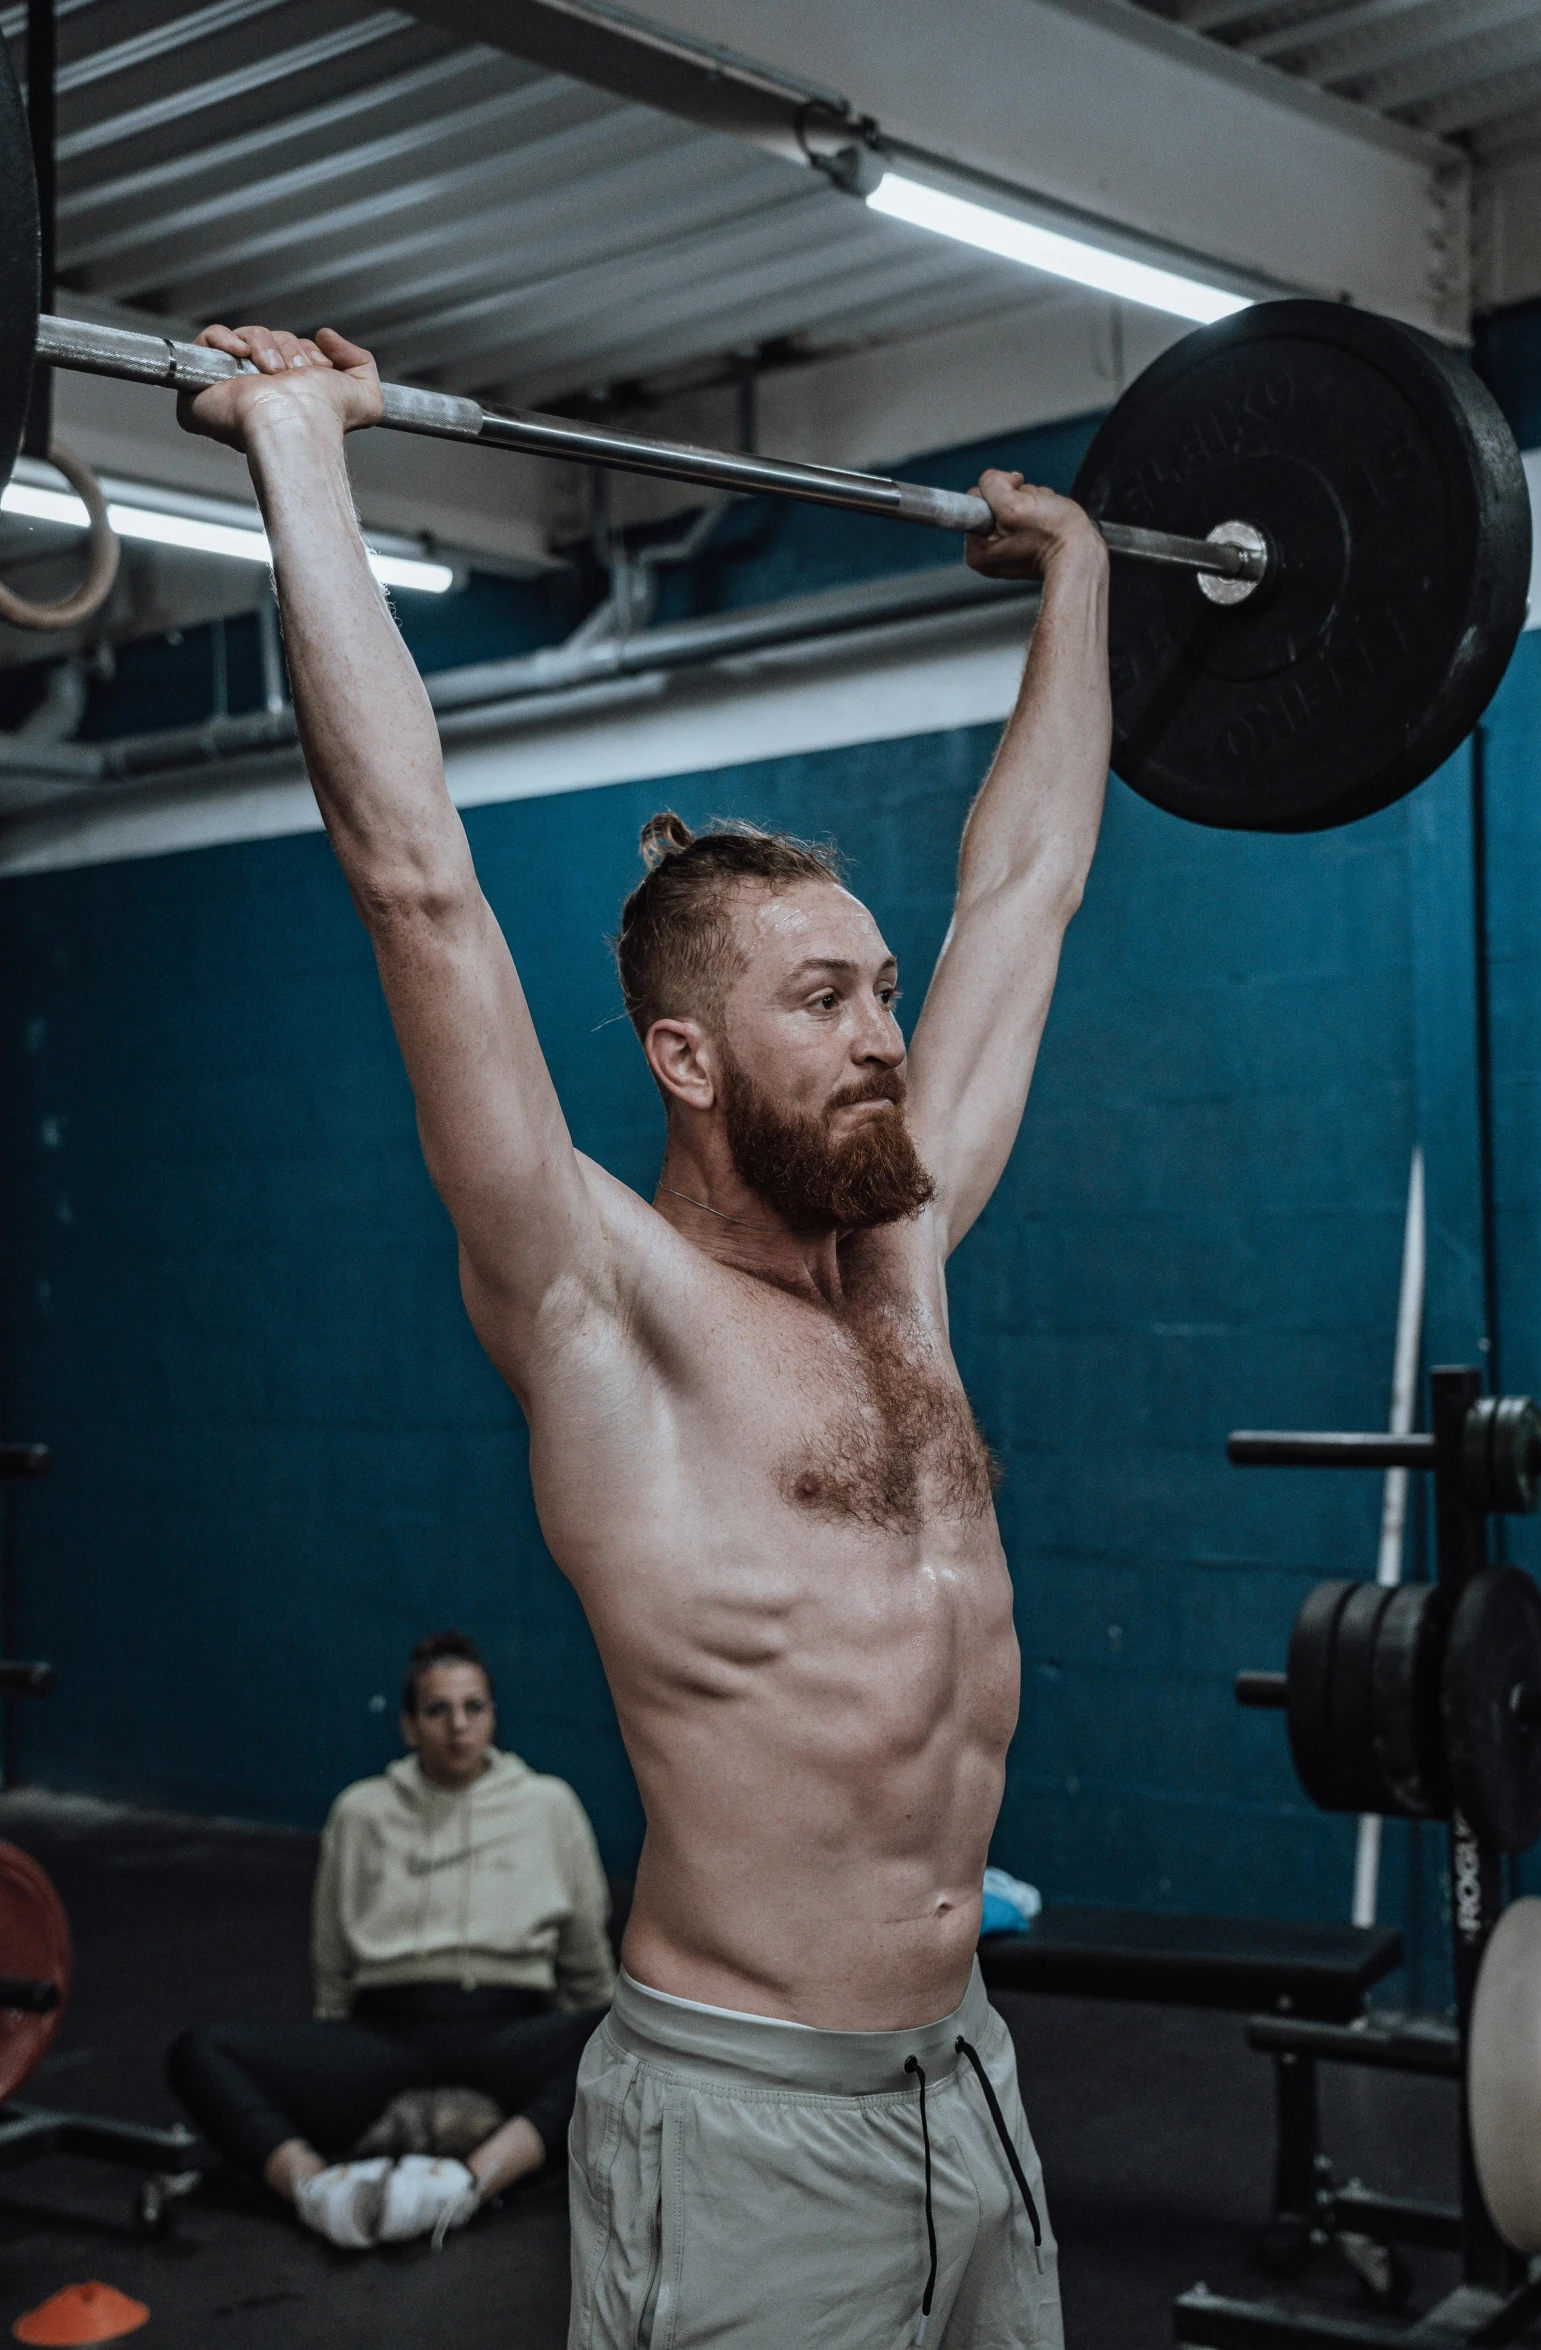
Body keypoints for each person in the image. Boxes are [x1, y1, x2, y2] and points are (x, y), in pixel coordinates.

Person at [177, 318, 1108, 2347]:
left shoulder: (903, 1260)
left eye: (880, 988)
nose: (885, 1031)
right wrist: (298, 452)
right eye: (826, 1002)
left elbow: (1028, 888)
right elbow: (417, 887)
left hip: (971, 2078)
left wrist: (1085, 571)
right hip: (746, 2124)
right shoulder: (598, 1303)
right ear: (684, 1054)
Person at [168, 1630, 614, 2249]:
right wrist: (327, 2059)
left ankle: (466, 2187)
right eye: (438, 1710)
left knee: (621, 2036)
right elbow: (332, 1958)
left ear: (492, 1716)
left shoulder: (549, 1806)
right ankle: (319, 2192)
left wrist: (598, 2059)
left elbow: (586, 1957)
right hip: (385, 2035)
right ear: (408, 1726)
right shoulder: (361, 1812)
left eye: (474, 1708)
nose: (458, 1725)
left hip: (506, 2029)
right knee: (199, 2052)